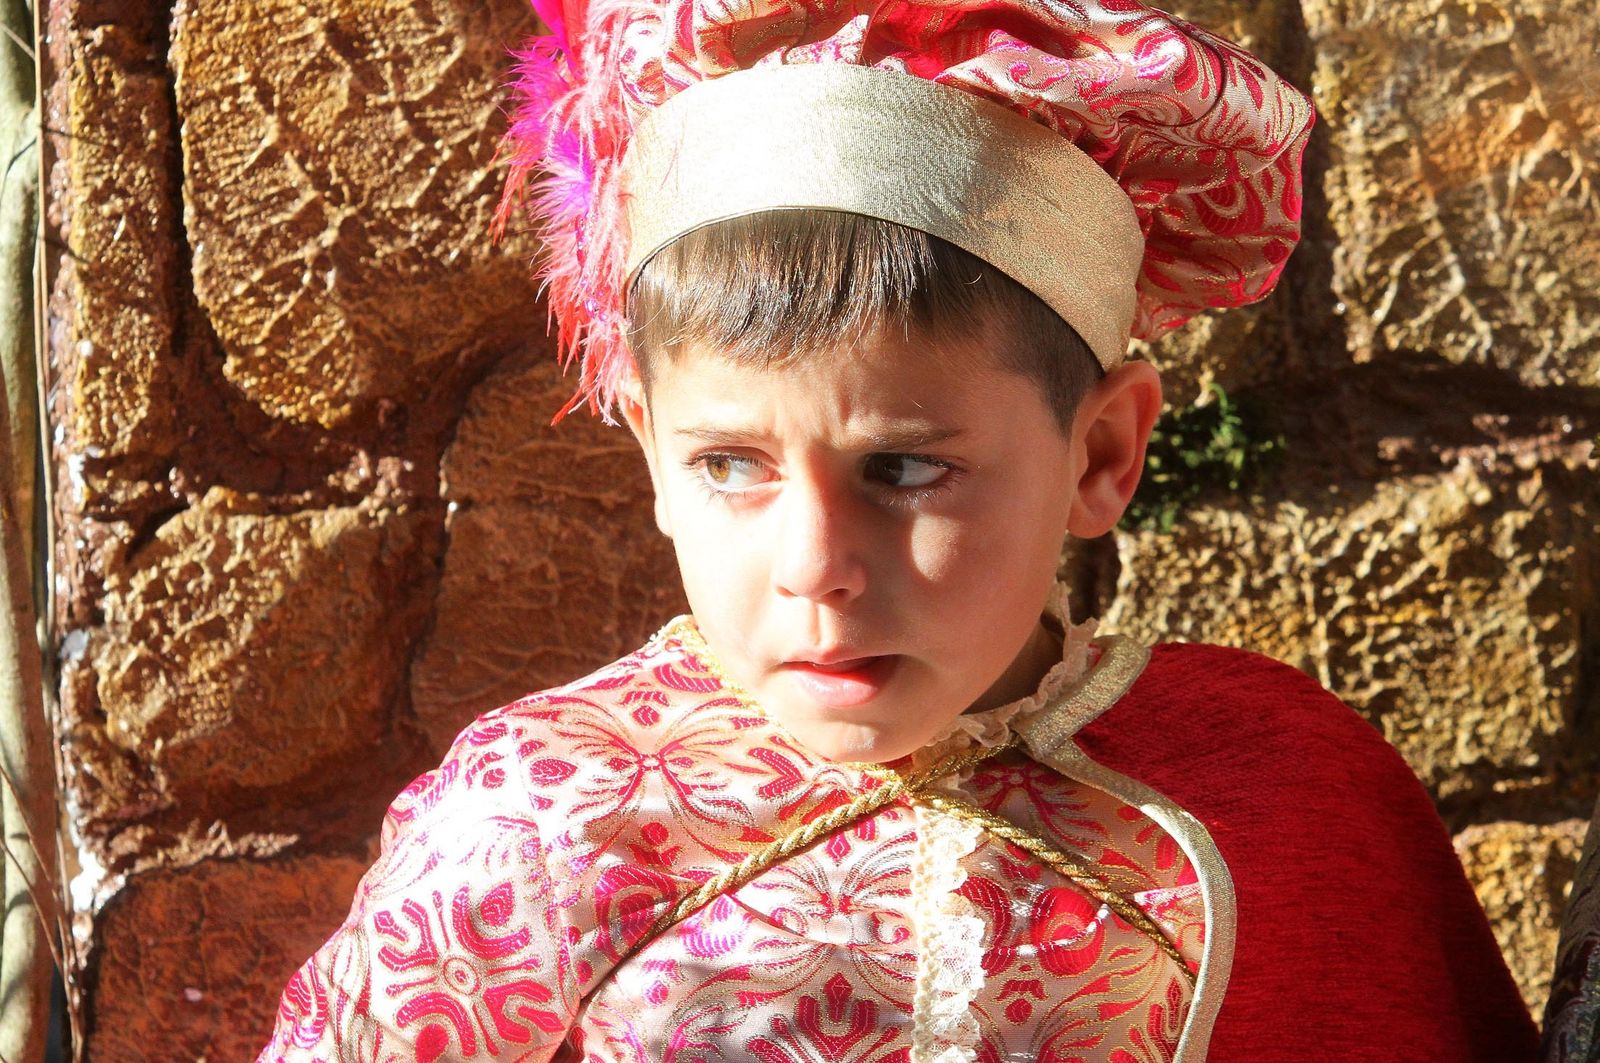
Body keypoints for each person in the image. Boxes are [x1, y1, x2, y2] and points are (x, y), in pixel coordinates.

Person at [260, 0, 1541, 1058]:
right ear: (648, 447)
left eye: (907, 469)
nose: (815, 565)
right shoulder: (539, 826)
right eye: (728, 464)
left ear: (1102, 451)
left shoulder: (1287, 796)